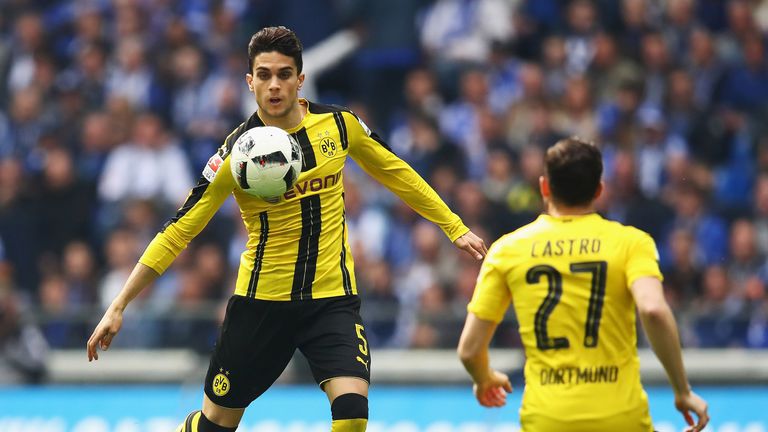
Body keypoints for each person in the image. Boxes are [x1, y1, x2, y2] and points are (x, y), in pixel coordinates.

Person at [86, 26, 487, 432]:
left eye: (283, 74)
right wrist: (119, 304)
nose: (274, 85)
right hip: (261, 304)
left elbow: (397, 173)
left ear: (300, 79)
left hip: (332, 299)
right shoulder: (236, 155)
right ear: (249, 82)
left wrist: (453, 227)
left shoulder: (339, 127)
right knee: (216, 426)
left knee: (352, 415)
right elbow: (177, 231)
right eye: (263, 75)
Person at [456, 138, 709, 432]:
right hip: (620, 418)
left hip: (548, 418)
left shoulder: (507, 250)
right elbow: (652, 309)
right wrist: (682, 390)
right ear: (599, 190)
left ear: (544, 187)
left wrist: (484, 378)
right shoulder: (631, 243)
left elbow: (469, 350)